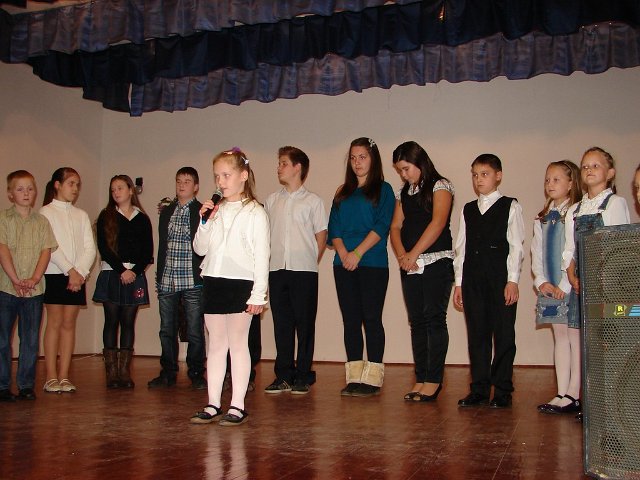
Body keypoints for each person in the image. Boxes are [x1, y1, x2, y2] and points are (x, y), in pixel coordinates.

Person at [190, 148, 269, 426]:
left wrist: (259, 294)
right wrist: (204, 222)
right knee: (215, 344)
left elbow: (262, 256)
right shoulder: (217, 210)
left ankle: (237, 405)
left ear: (243, 176)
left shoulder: (255, 212)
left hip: (241, 283)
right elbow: (200, 248)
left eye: (226, 175)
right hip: (214, 279)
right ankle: (213, 403)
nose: (220, 182)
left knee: (237, 344)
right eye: (217, 176)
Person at [560, 147, 630, 417]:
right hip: (581, 285)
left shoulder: (614, 203)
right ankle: (586, 400)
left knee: (607, 343)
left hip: (606, 285)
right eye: (585, 166)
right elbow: (569, 249)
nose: (589, 170)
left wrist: (603, 279)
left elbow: (619, 245)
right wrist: (572, 274)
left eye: (596, 165)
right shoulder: (574, 209)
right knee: (584, 345)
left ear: (610, 173)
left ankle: (609, 402)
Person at [452, 154, 525, 409]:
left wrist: (512, 280)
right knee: (477, 335)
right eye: (475, 175)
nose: (478, 179)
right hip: (473, 280)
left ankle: (503, 390)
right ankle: (479, 389)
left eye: (484, 174)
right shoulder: (468, 210)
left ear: (498, 176)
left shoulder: (510, 206)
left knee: (503, 335)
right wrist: (459, 283)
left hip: (500, 280)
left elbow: (516, 247)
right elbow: (461, 248)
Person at [328, 137, 395, 397]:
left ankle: (373, 378)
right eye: (353, 158)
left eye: (362, 157)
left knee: (372, 319)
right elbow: (334, 228)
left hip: (372, 263)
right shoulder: (342, 192)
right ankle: (354, 377)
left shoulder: (384, 189)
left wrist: (357, 253)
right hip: (342, 263)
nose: (357, 162)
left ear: (373, 159)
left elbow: (382, 225)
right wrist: (345, 253)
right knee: (351, 321)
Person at [389, 141, 454, 402]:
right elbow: (395, 226)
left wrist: (414, 253)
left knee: (434, 318)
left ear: (419, 162)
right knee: (416, 321)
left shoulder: (440, 185)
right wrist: (403, 256)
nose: (403, 175)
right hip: (410, 264)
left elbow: (438, 222)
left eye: (406, 169)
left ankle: (434, 380)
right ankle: (421, 376)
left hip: (436, 262)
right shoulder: (403, 192)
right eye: (400, 171)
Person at [263, 146, 328, 395]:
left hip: (304, 272)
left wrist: (310, 260)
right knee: (282, 324)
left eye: (283, 163)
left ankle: (303, 375)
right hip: (277, 269)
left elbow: (321, 236)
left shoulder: (313, 201)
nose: (278, 168)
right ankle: (284, 375)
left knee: (305, 323)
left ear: (297, 167)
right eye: (279, 163)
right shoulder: (271, 201)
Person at [0, 170, 57, 402]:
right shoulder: (3, 219)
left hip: (34, 290)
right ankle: (2, 385)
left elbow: (45, 252)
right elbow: (3, 250)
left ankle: (25, 385)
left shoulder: (42, 222)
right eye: (20, 189)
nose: (26, 193)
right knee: (2, 339)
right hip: (6, 288)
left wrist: (34, 278)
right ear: (10, 194)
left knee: (30, 340)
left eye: (30, 189)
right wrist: (15, 279)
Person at [530, 161, 582, 414]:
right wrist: (541, 281)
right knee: (559, 337)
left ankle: (574, 392)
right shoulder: (542, 218)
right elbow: (537, 252)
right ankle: (561, 392)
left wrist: (564, 284)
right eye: (547, 180)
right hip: (550, 287)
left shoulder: (575, 213)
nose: (550, 184)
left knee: (574, 338)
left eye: (556, 179)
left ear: (571, 184)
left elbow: (572, 251)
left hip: (569, 286)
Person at [93, 175, 153, 389]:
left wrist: (133, 272)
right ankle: (111, 373)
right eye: (113, 190)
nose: (116, 192)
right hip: (112, 273)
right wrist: (121, 270)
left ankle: (124, 372)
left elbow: (147, 251)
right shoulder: (106, 215)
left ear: (130, 190)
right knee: (111, 320)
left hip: (134, 275)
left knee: (128, 322)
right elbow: (104, 248)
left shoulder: (142, 218)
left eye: (120, 188)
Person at [148, 167, 206, 390]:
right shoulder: (167, 211)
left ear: (196, 187)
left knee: (194, 329)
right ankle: (168, 372)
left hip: (192, 279)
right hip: (168, 278)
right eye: (179, 181)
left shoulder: (202, 211)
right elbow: (162, 245)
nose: (182, 185)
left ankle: (196, 372)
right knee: (166, 329)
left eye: (187, 181)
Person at [40, 168, 96, 393]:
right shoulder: (46, 212)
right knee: (54, 322)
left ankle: (64, 376)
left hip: (77, 277)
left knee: (69, 324)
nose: (75, 188)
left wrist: (79, 272)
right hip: (55, 273)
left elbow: (90, 247)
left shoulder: (81, 215)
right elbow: (50, 245)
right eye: (71, 183)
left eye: (77, 185)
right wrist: (69, 270)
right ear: (57, 185)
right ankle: (50, 376)